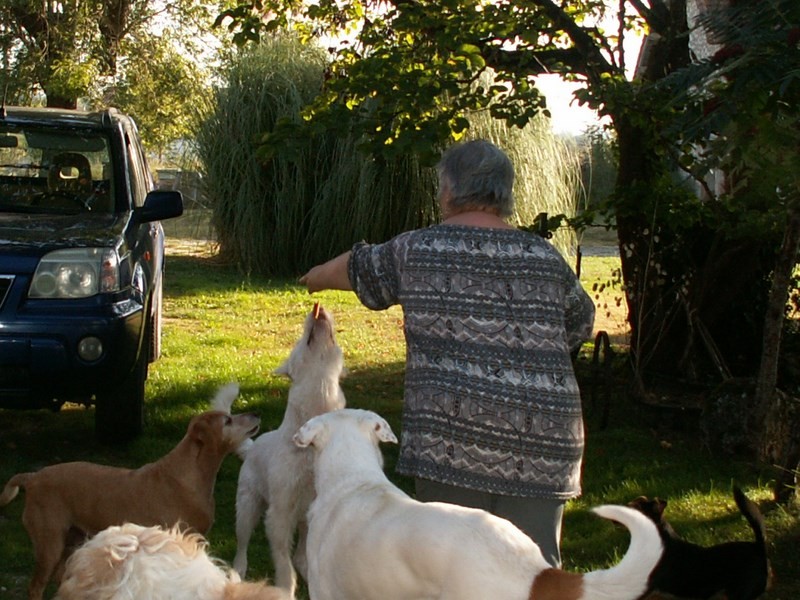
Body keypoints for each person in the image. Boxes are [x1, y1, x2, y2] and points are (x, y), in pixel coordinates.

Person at [299, 139, 595, 567]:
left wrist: (313, 278)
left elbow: (356, 266)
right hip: (544, 444)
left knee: (450, 572)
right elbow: (580, 323)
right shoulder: (544, 256)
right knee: (534, 576)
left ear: (449, 191)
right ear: (504, 194)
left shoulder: (418, 249)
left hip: (452, 440)